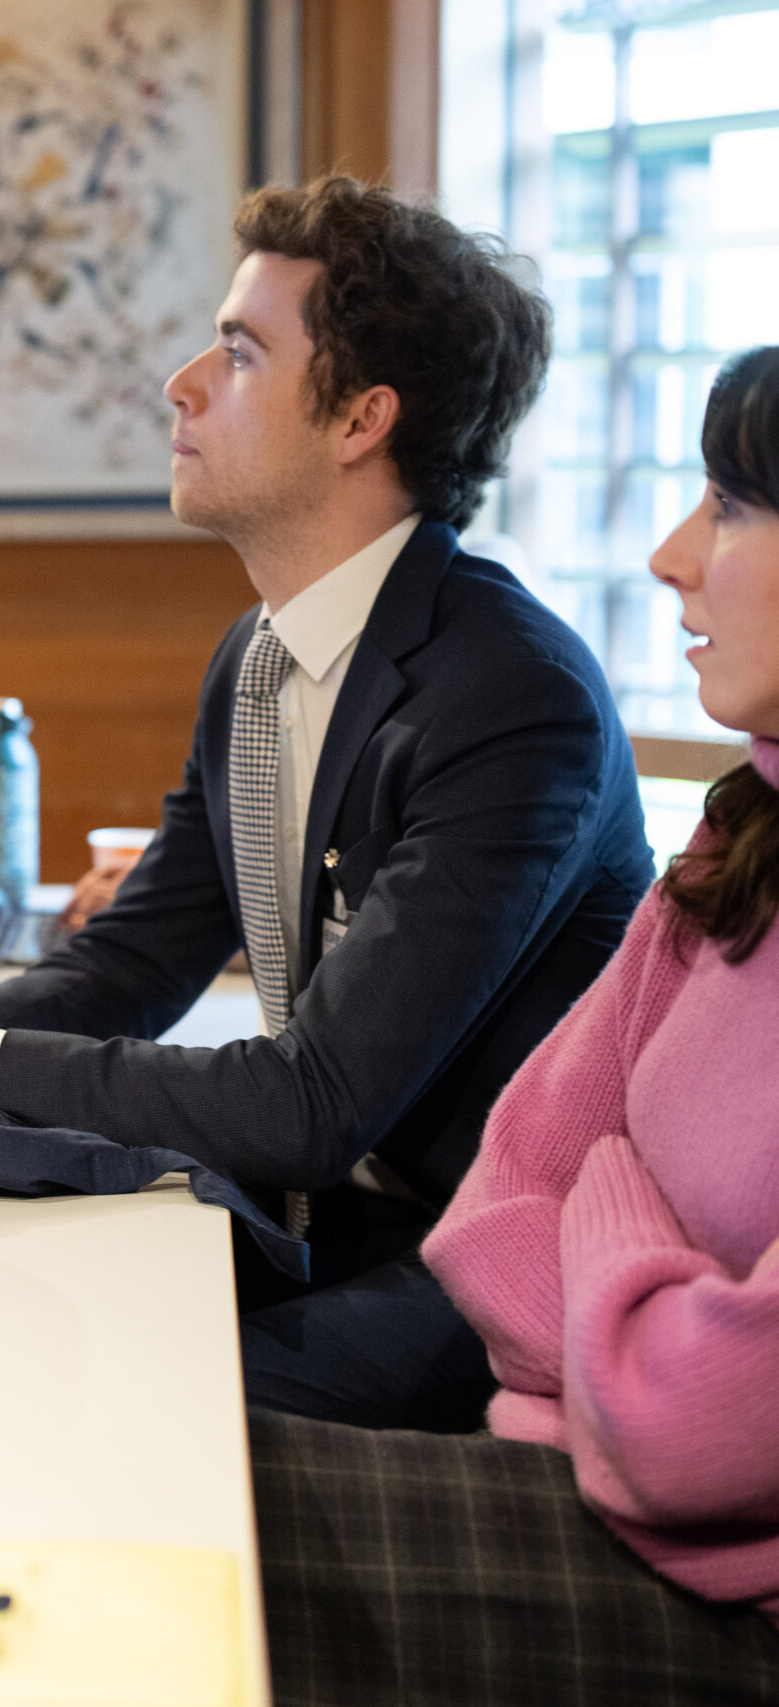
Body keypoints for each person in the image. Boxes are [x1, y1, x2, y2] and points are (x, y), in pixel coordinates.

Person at [0, 177, 655, 1430]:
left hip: (484, 1252)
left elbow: (308, 1105)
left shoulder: (514, 699)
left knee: (90, 1394)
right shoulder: (260, 655)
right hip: (331, 1212)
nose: (179, 382)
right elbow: (136, 956)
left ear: (360, 419)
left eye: (237, 353)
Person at [252, 345, 779, 1707]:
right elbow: (500, 1190)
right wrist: (637, 1286)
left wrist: (605, 1190)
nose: (670, 556)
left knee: (156, 1495)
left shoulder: (509, 683)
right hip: (564, 1460)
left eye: (727, 504)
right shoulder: (739, 841)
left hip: (729, 1593)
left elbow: (684, 1425)